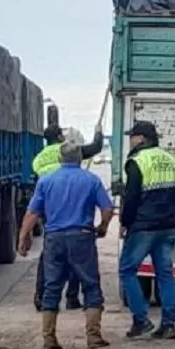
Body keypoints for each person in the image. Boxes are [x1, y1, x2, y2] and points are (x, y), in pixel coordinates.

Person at [18, 141, 115, 349]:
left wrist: (23, 236)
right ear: (80, 158)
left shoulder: (46, 181)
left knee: (52, 286)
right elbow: (107, 208)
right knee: (90, 284)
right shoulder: (91, 180)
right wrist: (103, 227)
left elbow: (32, 213)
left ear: (60, 159)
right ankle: (93, 336)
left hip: (54, 239)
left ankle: (49, 339)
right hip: (82, 236)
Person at [30, 124, 105, 312]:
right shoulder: (67, 150)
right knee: (76, 256)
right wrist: (98, 133)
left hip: (51, 207)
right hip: (73, 202)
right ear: (59, 136)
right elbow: (95, 148)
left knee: (49, 256)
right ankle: (72, 297)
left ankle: (40, 295)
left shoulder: (38, 159)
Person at [118, 121, 175, 340]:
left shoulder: (136, 161)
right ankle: (169, 324)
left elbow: (132, 197)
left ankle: (141, 320)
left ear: (142, 138)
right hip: (168, 226)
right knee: (165, 274)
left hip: (144, 226)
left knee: (127, 270)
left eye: (132, 136)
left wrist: (126, 222)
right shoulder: (171, 161)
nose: (130, 140)